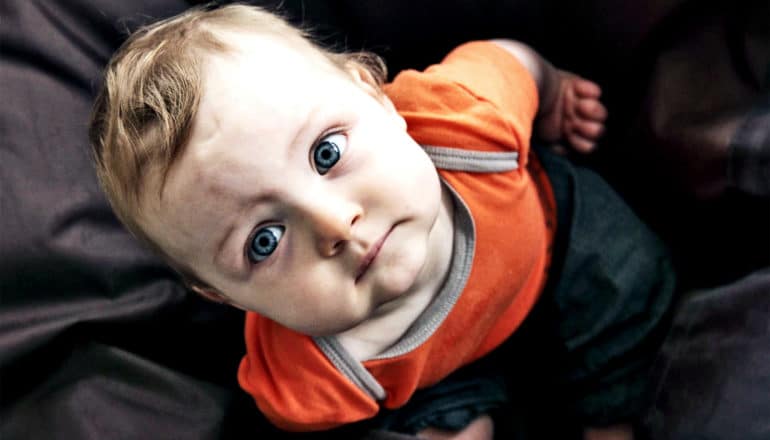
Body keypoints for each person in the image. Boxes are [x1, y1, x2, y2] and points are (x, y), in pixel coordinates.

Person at [89, 4, 675, 439]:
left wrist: (553, 94)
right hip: (443, 376)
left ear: (376, 98)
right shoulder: (309, 375)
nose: (336, 225)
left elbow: (510, 61)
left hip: (553, 250)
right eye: (265, 241)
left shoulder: (464, 117)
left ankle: (613, 413)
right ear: (224, 294)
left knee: (622, 281)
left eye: (326, 154)